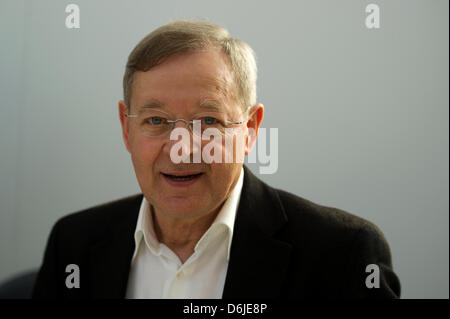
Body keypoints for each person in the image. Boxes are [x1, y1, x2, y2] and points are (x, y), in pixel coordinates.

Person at [32, 20, 401, 299]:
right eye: (156, 121)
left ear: (250, 129)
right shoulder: (74, 242)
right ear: (126, 129)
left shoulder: (342, 255)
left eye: (208, 121)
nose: (182, 147)